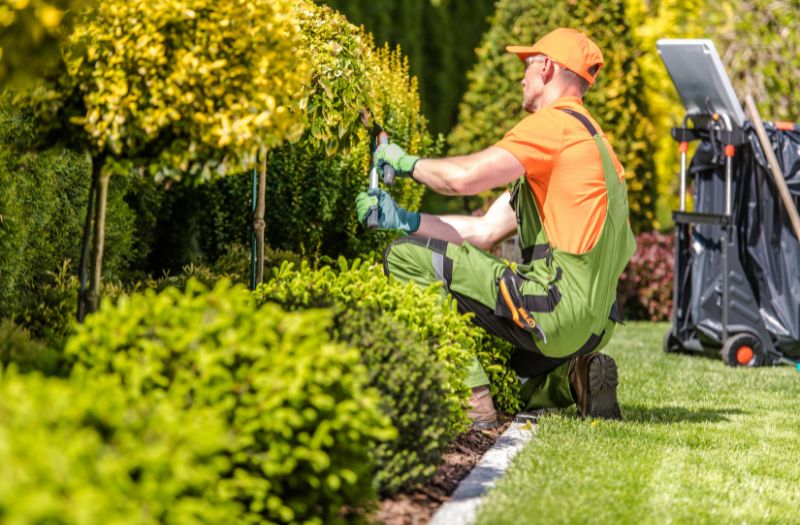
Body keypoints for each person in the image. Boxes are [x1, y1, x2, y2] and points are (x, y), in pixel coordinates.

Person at [355, 28, 636, 427]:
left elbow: (462, 180)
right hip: (593, 325)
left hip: (555, 309)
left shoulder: (552, 126)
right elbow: (484, 231)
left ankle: (470, 400)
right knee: (505, 367)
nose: (521, 77)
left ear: (547, 67)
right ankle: (571, 379)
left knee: (403, 257)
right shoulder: (594, 143)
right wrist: (403, 219)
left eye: (527, 66)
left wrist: (405, 163)